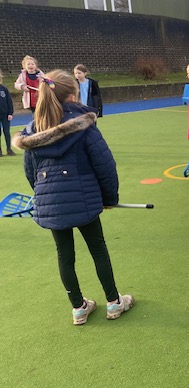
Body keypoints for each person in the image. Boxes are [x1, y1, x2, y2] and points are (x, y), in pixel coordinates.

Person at [12, 70, 134, 325]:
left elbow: (30, 172)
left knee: (64, 255)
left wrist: (45, 197)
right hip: (85, 199)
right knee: (98, 249)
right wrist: (109, 198)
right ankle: (113, 302)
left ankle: (78, 308)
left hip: (52, 202)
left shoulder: (34, 129)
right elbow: (105, 165)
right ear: (73, 95)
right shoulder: (84, 124)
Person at [0, 73, 16, 156]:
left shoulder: (4, 89)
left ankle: (9, 149)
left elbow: (9, 102)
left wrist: (10, 113)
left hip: (5, 115)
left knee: (6, 132)